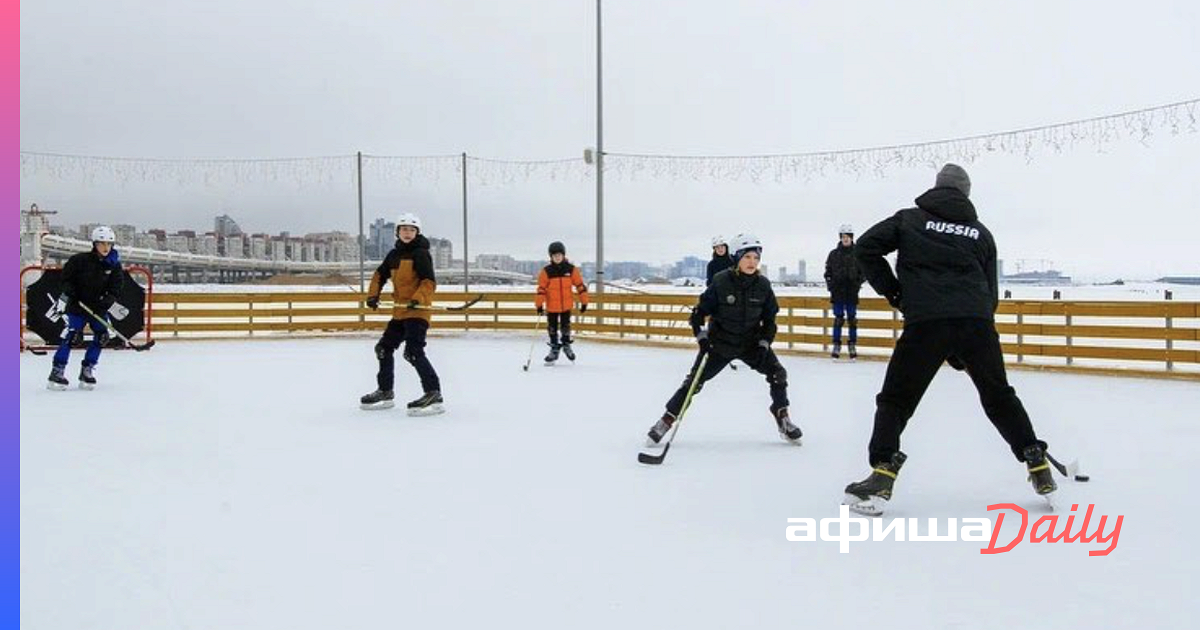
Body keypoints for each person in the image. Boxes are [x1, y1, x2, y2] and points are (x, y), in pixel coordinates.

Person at [843, 164, 1055, 515]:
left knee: (896, 399)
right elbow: (991, 290)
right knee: (999, 396)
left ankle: (882, 472)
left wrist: (896, 294)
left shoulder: (910, 220)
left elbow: (865, 247)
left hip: (926, 322)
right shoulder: (980, 232)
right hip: (976, 323)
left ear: (937, 188)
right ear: (966, 194)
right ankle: (1036, 461)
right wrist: (970, 337)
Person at [646, 233, 802, 445]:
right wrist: (702, 338)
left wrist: (765, 343)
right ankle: (667, 419)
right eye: (747, 257)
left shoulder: (763, 285)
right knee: (694, 382)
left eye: (756, 258)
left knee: (778, 374)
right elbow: (698, 315)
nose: (752, 262)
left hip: (751, 344)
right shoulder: (721, 282)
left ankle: (782, 415)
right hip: (719, 344)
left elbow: (770, 320)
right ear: (737, 258)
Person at [360, 213, 444, 415]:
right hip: (400, 312)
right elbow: (379, 275)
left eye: (412, 230)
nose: (408, 233)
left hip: (417, 312)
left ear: (417, 233)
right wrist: (373, 295)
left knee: (413, 352)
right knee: (383, 348)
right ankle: (385, 391)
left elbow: (428, 282)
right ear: (398, 232)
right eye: (404, 229)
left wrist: (417, 299)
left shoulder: (421, 254)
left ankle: (433, 393)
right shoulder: (393, 255)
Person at [47, 226, 125, 390]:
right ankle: (57, 371)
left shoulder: (114, 265)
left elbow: (116, 287)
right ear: (94, 244)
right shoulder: (79, 260)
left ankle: (87, 369)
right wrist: (70, 291)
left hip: (98, 308)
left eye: (109, 244)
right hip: (78, 306)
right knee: (73, 336)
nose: (105, 248)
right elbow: (66, 279)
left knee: (102, 336)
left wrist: (109, 300)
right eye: (102, 243)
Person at [536, 241, 589, 364]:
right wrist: (539, 305)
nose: (557, 257)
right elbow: (541, 290)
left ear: (563, 255)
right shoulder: (546, 271)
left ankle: (566, 345)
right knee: (552, 328)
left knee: (566, 326)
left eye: (559, 255)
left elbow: (580, 286)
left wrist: (584, 301)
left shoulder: (571, 269)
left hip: (566, 305)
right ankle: (554, 348)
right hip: (552, 307)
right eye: (554, 255)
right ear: (551, 257)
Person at [824, 224, 863, 359]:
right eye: (843, 237)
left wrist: (857, 283)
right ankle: (836, 345)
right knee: (838, 319)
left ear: (852, 238)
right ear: (840, 238)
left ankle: (852, 345)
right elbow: (828, 273)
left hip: (852, 292)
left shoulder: (858, 253)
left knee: (852, 320)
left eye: (848, 237)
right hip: (838, 292)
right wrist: (831, 286)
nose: (845, 239)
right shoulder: (834, 254)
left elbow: (863, 271)